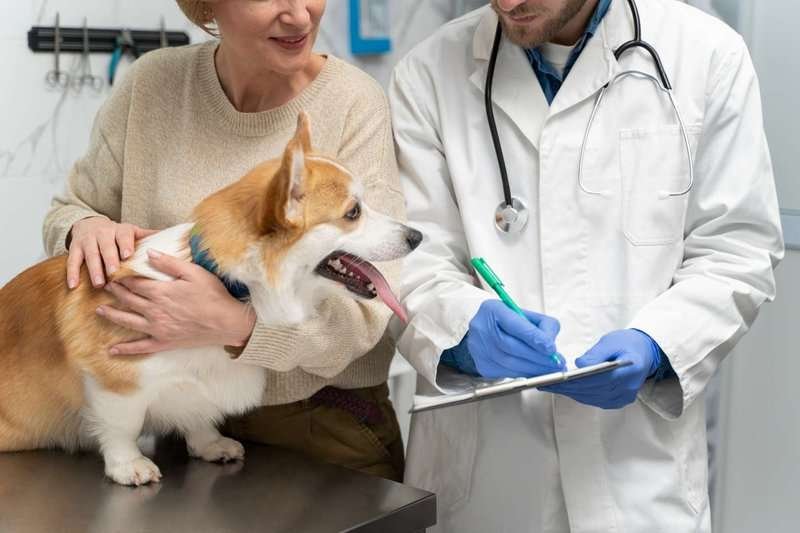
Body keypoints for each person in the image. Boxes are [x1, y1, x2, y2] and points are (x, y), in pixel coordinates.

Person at [388, 0, 783, 530]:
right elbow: (409, 258)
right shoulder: (426, 74)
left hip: (638, 482)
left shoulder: (708, 56)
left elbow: (737, 247)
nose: (508, 3)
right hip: (489, 487)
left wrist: (658, 345)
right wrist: (463, 327)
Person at [42, 0, 406, 482]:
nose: (298, 16)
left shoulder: (354, 102)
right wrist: (83, 230)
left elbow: (366, 317)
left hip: (319, 427)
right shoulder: (151, 84)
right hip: (170, 421)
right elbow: (69, 210)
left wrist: (237, 326)